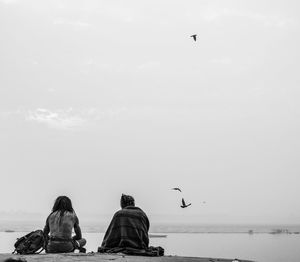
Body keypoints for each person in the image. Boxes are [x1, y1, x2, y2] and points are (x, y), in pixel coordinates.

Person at [98, 194, 163, 256]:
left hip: (123, 246)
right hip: (140, 246)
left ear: (122, 204)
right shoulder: (142, 214)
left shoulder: (119, 214)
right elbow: (145, 231)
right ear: (133, 204)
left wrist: (104, 245)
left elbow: (111, 235)